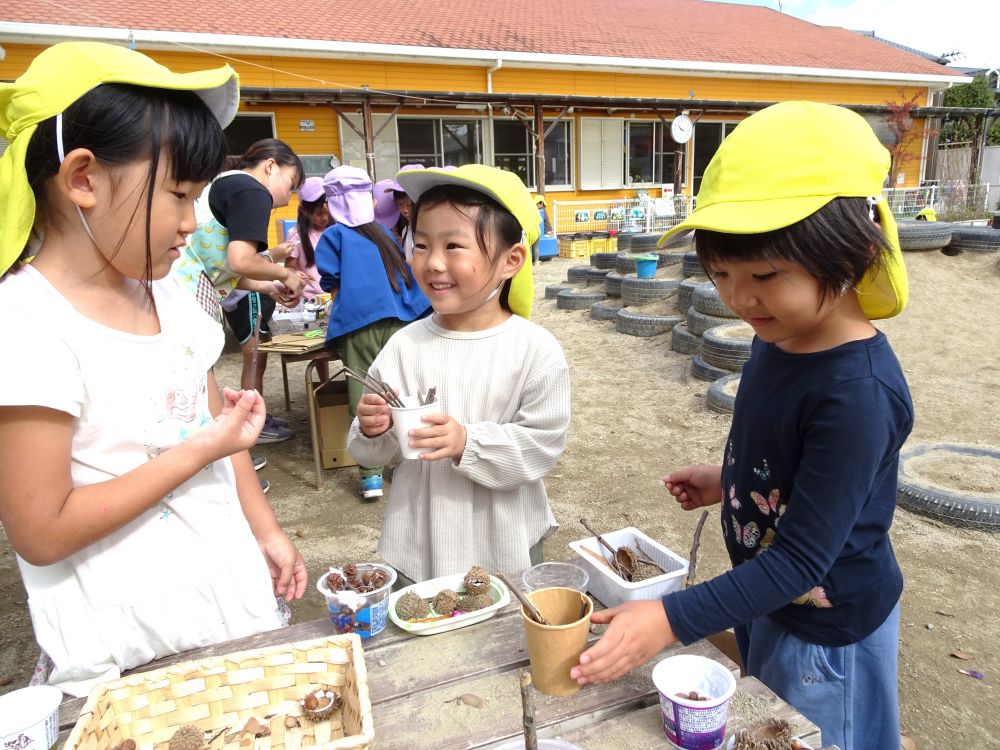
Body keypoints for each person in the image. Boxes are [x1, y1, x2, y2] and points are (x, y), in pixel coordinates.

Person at [570, 102, 913, 750]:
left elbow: (804, 558)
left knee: (806, 733)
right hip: (767, 601)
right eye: (720, 274)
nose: (738, 298)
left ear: (855, 252)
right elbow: (778, 454)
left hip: (825, 629)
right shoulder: (777, 336)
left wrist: (668, 619)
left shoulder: (858, 396)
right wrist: (724, 480)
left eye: (764, 275)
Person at [0, 42, 307, 697]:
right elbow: (42, 529)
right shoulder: (27, 323)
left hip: (224, 602)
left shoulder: (173, 293)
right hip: (126, 641)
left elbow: (219, 433)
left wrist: (267, 531)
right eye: (177, 195)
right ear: (83, 178)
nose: (191, 222)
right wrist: (200, 449)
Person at [349, 164, 570, 584]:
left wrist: (467, 441)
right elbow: (369, 455)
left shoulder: (534, 351)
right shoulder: (404, 345)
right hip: (419, 541)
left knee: (507, 640)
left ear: (511, 260)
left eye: (453, 246)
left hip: (504, 541)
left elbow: (542, 447)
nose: (432, 263)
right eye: (421, 245)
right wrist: (372, 430)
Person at [175, 139, 305, 444]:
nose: (288, 197)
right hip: (188, 292)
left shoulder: (225, 185)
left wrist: (269, 287)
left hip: (186, 284)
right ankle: (220, 455)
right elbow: (241, 261)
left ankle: (217, 454)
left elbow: (224, 269)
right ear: (271, 166)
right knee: (195, 378)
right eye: (291, 182)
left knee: (194, 378)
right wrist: (286, 273)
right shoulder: (252, 190)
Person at [314, 166, 432, 500]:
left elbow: (332, 283)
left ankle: (371, 478)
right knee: (400, 389)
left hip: (359, 323)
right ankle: (403, 459)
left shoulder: (334, 236)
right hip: (401, 321)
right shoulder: (385, 234)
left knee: (365, 394)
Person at [286, 176, 331, 302]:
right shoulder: (296, 235)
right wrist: (294, 274)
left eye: (327, 212)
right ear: (304, 210)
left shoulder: (335, 230)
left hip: (335, 296)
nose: (324, 218)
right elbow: (289, 267)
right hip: (310, 301)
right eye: (318, 213)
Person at [382, 163, 425, 262]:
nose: (404, 210)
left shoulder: (429, 231)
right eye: (400, 205)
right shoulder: (406, 230)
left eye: (409, 205)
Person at [531, 194, 553, 265]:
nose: (543, 207)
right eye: (543, 204)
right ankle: (536, 261)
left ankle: (531, 261)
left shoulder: (531, 209)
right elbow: (541, 221)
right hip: (537, 231)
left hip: (530, 230)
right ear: (540, 203)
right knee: (536, 247)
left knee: (531, 246)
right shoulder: (540, 212)